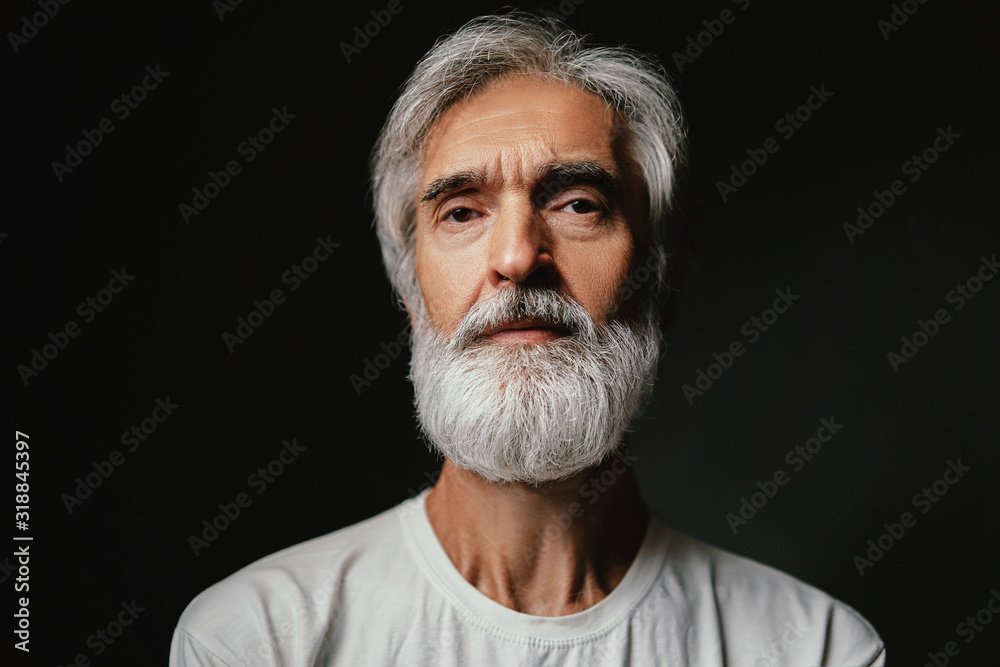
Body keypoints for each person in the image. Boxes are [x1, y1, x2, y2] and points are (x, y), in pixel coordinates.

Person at [170, 13, 885, 666]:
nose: (517, 256)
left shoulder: (816, 650)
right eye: (461, 211)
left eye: (578, 204)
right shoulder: (255, 639)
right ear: (411, 295)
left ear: (660, 285)